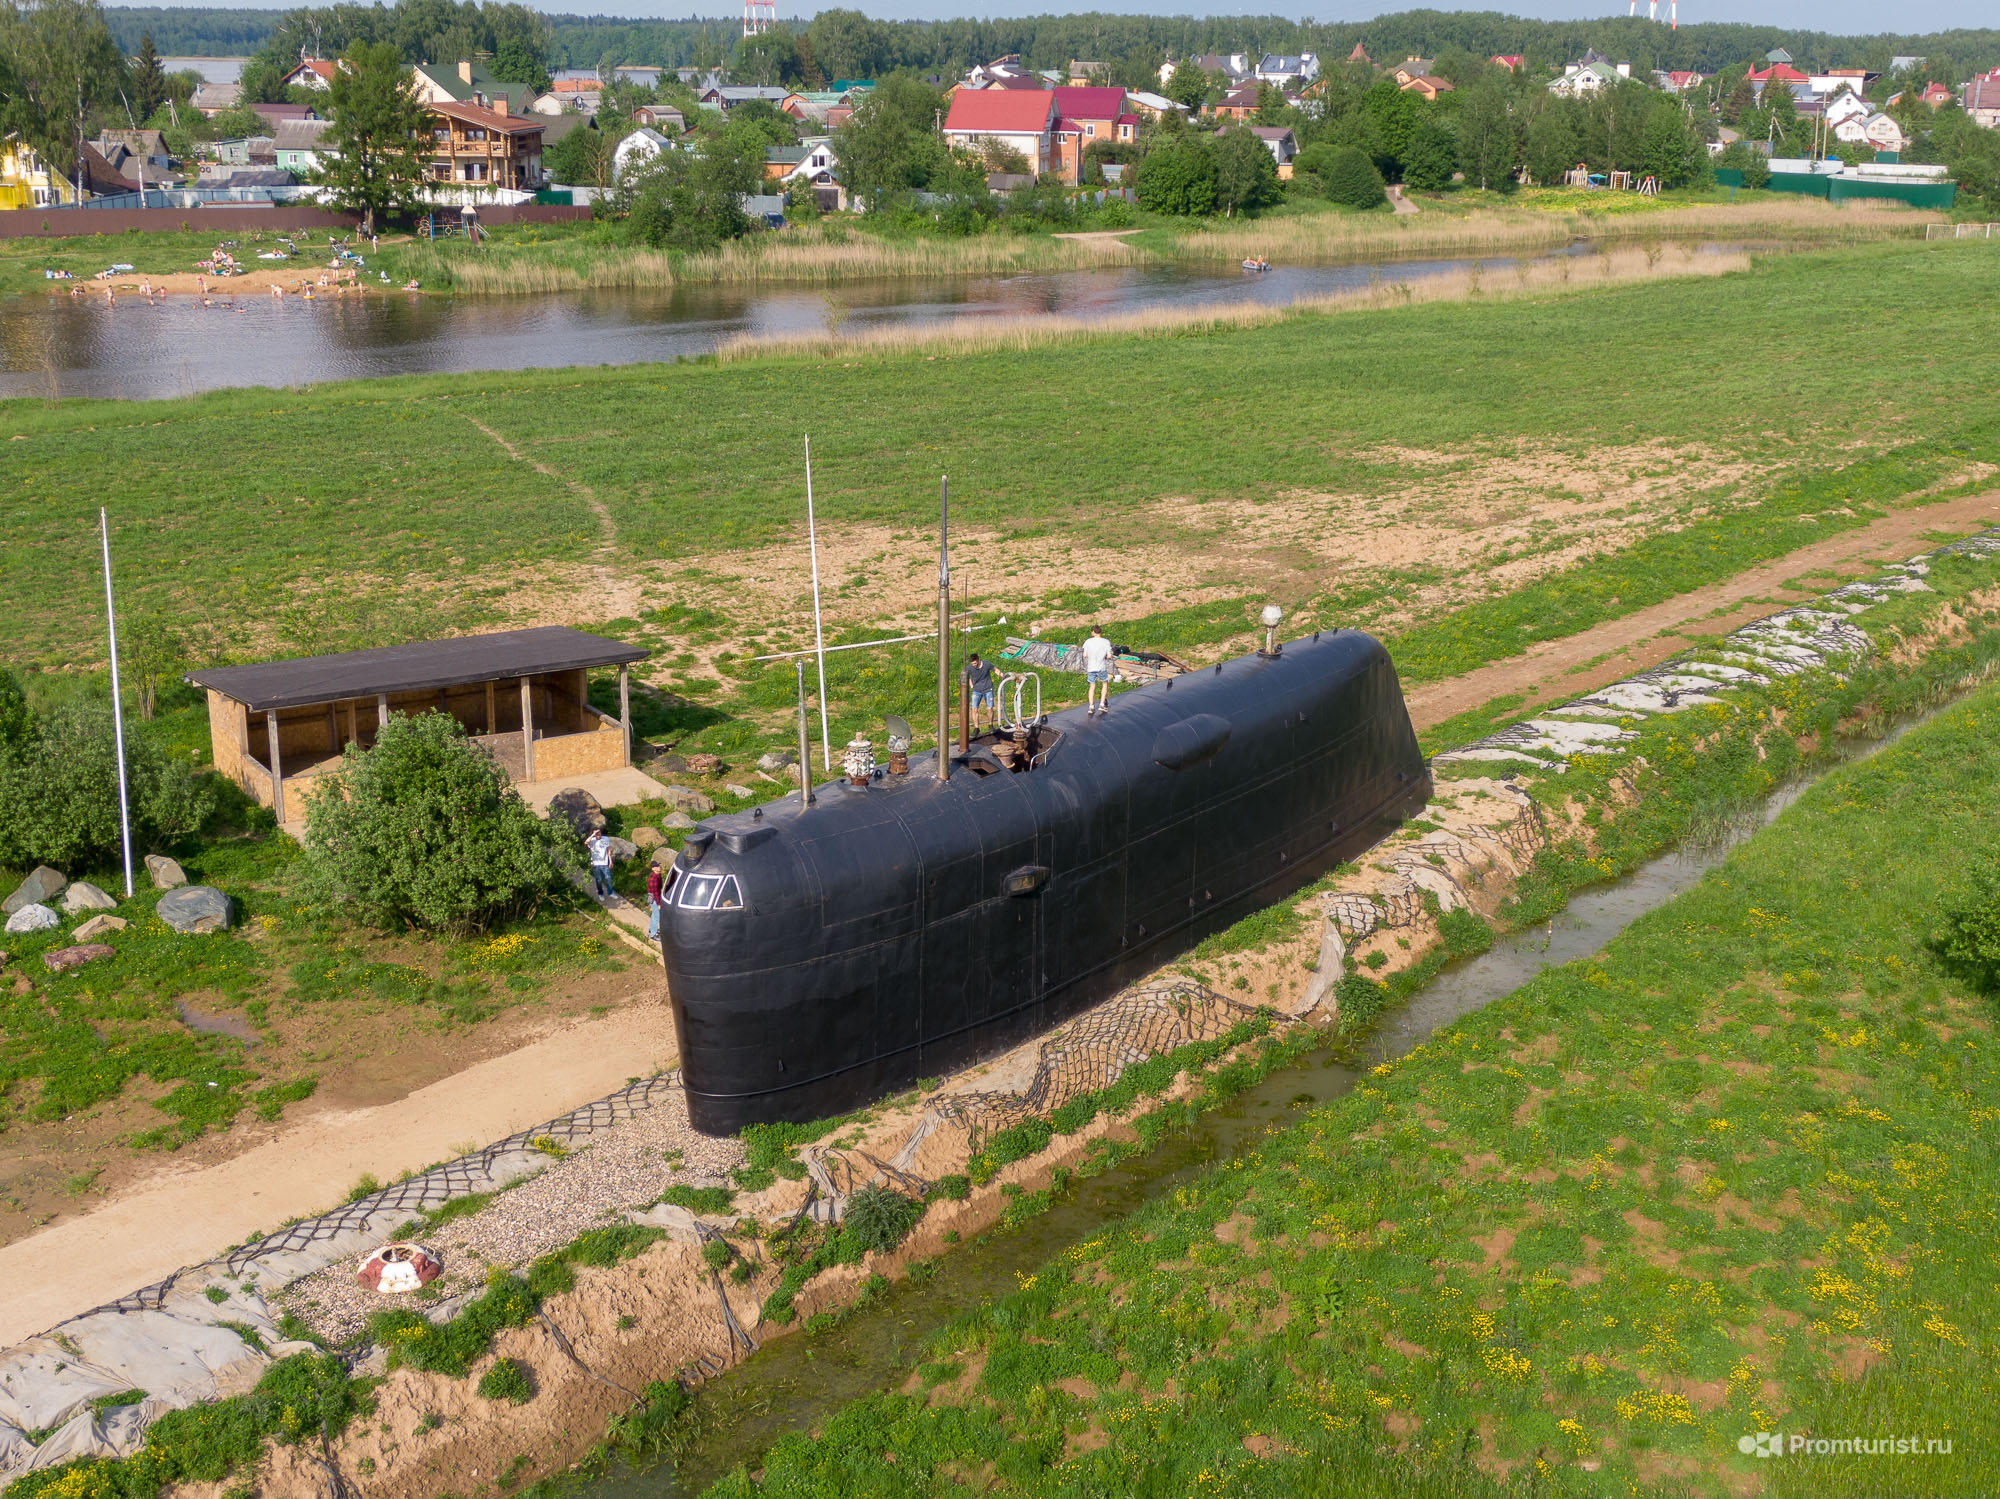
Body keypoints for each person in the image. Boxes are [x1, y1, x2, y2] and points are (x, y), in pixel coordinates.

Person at [1081, 626, 1114, 716]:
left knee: (1092, 686)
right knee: (1105, 683)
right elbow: (1109, 655)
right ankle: (1102, 704)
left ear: (1093, 632)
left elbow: (1085, 655)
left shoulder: (1088, 641)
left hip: (1091, 667)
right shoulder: (1106, 642)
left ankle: (1091, 706)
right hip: (1101, 667)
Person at [966, 653, 995, 728]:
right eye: (972, 664)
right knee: (974, 709)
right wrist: (971, 686)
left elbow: (995, 670)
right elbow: (967, 676)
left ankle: (990, 725)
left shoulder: (986, 664)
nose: (974, 665)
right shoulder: (969, 668)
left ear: (978, 660)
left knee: (989, 708)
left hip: (988, 689)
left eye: (975, 663)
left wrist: (1003, 675)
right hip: (976, 690)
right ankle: (976, 728)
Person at [586, 828, 615, 900]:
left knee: (608, 878)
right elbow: (586, 842)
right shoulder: (592, 840)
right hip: (596, 863)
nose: (598, 834)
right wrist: (593, 834)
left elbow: (608, 850)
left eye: (599, 832)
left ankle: (610, 892)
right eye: (596, 833)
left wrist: (610, 861)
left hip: (604, 862)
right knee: (598, 880)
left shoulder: (605, 838)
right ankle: (600, 893)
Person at [646, 859, 665, 939]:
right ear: (653, 869)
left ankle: (651, 929)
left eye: (659, 865)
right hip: (654, 898)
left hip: (656, 897)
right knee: (657, 916)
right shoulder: (653, 879)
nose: (659, 867)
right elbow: (655, 893)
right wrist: (659, 904)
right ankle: (653, 935)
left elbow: (659, 888)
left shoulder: (658, 875)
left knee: (654, 914)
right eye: (656, 866)